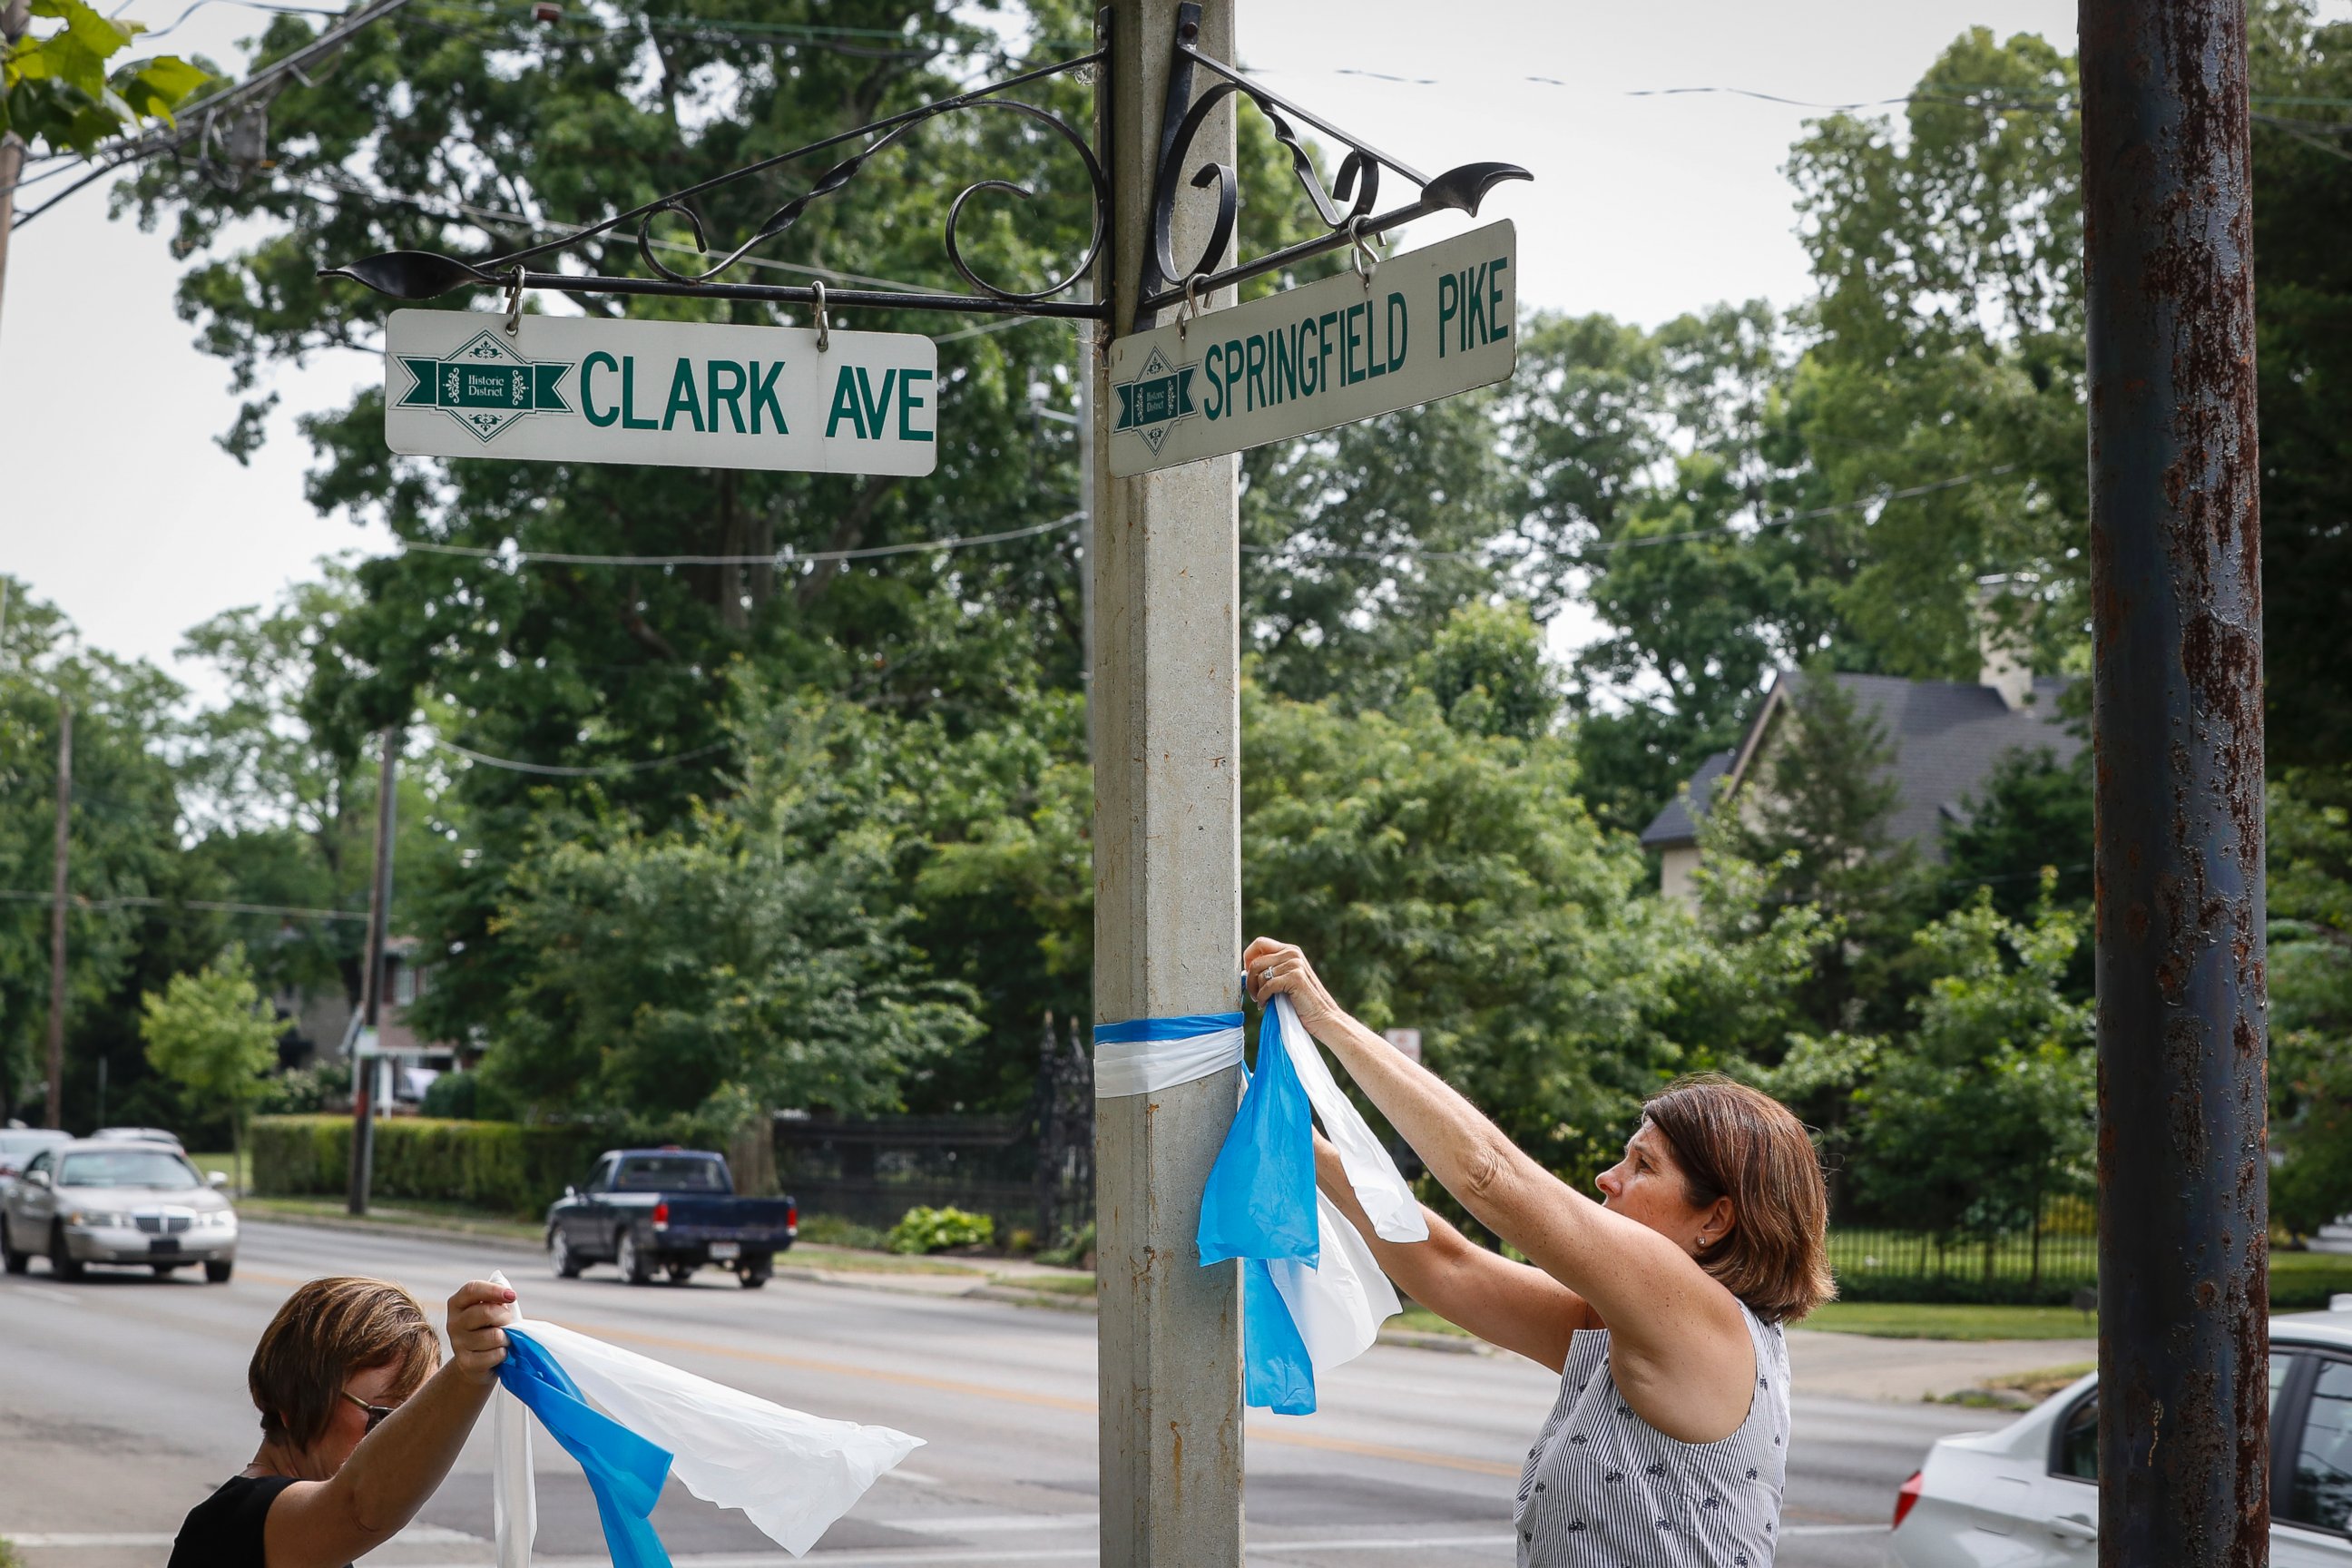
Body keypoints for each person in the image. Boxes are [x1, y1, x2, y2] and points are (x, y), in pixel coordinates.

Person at [1244, 936, 1834, 1568]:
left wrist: (1327, 1019)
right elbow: (1446, 1264)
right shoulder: (1632, 1332)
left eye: (1642, 1166)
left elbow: (1489, 1176)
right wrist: (1292, 1138)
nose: (1609, 1177)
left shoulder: (1699, 1318)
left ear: (1715, 1219)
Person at [167, 1274, 517, 1568]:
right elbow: (359, 1507)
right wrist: (467, 1374)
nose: (403, 1442)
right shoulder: (231, 1522)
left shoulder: (315, 1534)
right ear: (297, 1398)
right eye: (383, 1416)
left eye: (411, 1418)